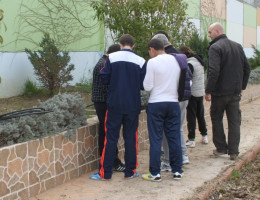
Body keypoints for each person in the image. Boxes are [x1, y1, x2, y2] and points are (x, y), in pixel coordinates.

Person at [90, 34, 146, 180]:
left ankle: (105, 173)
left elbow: (104, 78)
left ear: (120, 44)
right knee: (131, 138)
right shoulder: (141, 61)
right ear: (133, 46)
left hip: (114, 104)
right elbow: (143, 84)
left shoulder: (112, 58)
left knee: (111, 138)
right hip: (132, 105)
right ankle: (130, 171)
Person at [206, 22, 250, 160]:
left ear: (217, 32)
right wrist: (242, 86)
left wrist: (208, 90)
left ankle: (221, 148)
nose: (209, 35)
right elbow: (247, 68)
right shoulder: (237, 46)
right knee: (234, 121)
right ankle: (233, 152)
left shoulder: (215, 47)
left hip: (219, 92)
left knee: (217, 118)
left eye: (210, 32)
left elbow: (213, 71)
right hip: (235, 92)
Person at [142, 39, 183, 182]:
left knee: (156, 139)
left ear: (152, 49)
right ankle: (177, 170)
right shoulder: (176, 60)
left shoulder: (152, 62)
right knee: (174, 138)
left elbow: (147, 86)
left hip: (156, 104)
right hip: (173, 103)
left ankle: (155, 173)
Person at [152, 34, 190, 171]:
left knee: (172, 130)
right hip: (183, 96)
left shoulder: (168, 56)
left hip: (174, 97)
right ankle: (181, 159)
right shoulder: (179, 54)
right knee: (176, 128)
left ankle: (172, 161)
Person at [91, 44, 125, 172]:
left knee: (108, 131)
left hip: (103, 102)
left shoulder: (105, 62)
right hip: (103, 102)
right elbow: (108, 86)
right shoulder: (104, 65)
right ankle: (112, 162)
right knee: (107, 132)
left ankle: (111, 161)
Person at [179, 46, 208, 148]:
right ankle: (204, 136)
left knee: (191, 116)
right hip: (200, 92)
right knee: (200, 115)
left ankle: (191, 139)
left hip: (192, 93)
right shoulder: (199, 62)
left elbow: (189, 79)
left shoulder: (190, 64)